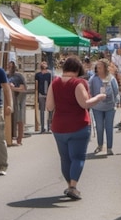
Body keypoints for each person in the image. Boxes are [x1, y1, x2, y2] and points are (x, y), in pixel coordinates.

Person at [45, 55, 106, 199]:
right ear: (78, 69)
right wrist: (99, 97)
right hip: (78, 125)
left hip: (59, 126)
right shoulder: (78, 83)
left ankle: (69, 185)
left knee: (65, 158)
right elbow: (85, 104)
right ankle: (73, 186)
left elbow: (49, 107)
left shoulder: (55, 82)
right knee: (77, 157)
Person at [88, 58, 119, 156]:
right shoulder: (93, 79)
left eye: (100, 67)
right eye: (97, 67)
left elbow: (116, 90)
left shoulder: (111, 78)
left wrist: (116, 102)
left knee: (109, 127)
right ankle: (100, 145)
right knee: (100, 127)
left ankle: (109, 147)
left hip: (110, 106)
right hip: (97, 107)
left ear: (105, 68)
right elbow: (90, 91)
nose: (98, 68)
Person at [7, 60, 27, 145]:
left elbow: (23, 89)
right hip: (8, 100)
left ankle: (20, 138)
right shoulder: (5, 75)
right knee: (9, 119)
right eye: (9, 66)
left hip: (18, 99)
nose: (10, 68)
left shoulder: (19, 76)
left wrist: (13, 88)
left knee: (19, 119)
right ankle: (9, 137)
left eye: (12, 66)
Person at [35, 61, 53, 133]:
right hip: (41, 94)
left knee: (50, 110)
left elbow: (51, 83)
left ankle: (49, 127)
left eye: (45, 64)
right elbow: (36, 85)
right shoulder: (38, 75)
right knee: (42, 111)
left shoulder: (49, 74)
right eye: (43, 64)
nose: (44, 64)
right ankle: (42, 128)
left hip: (48, 94)